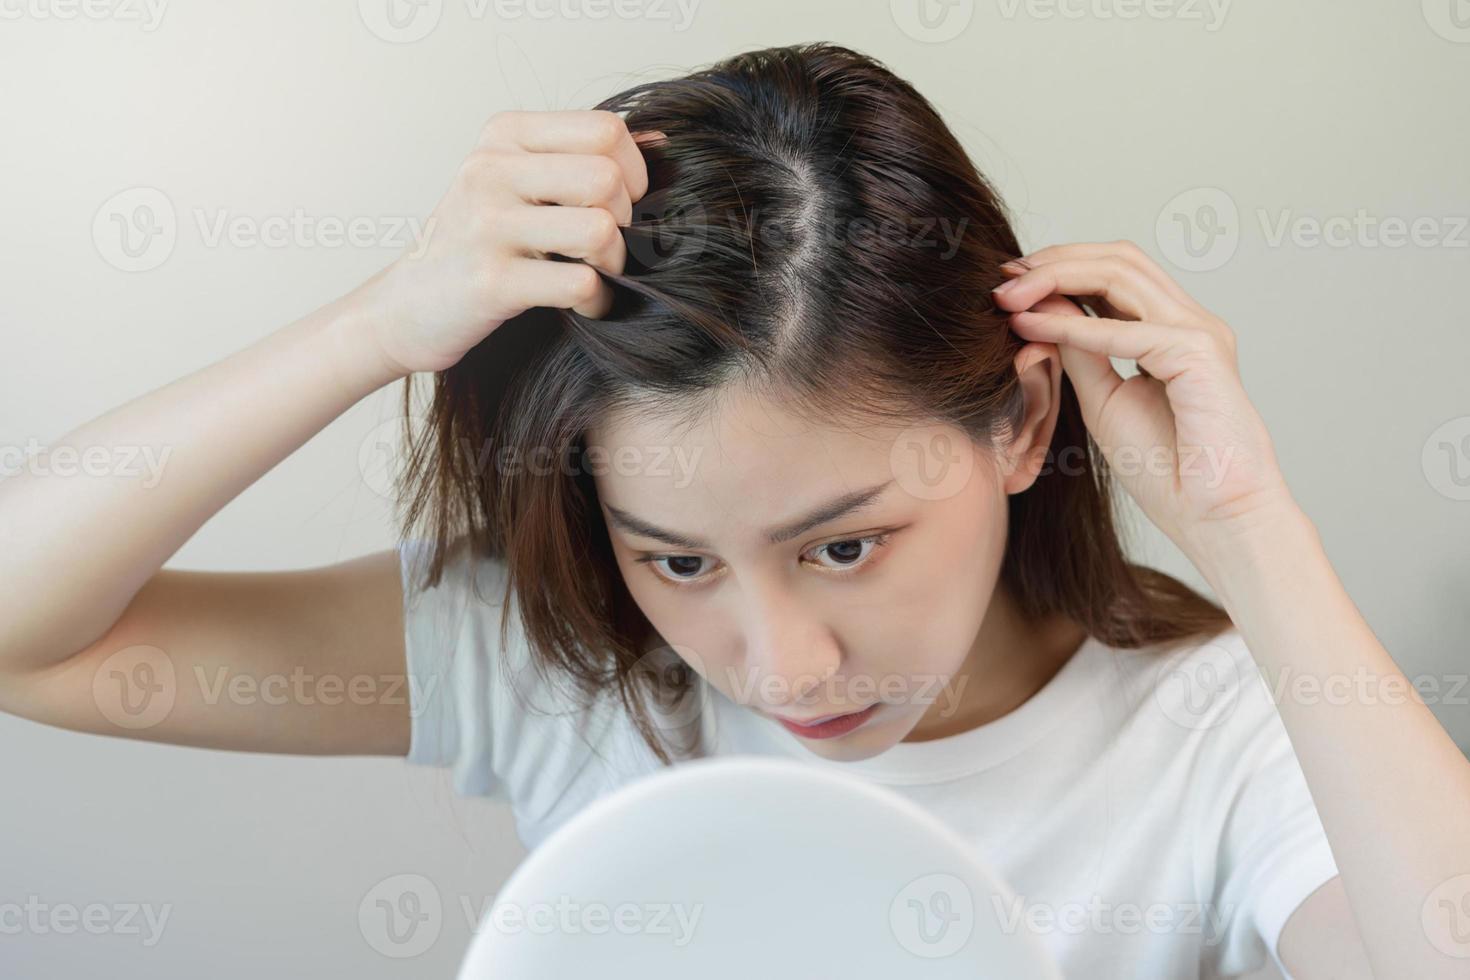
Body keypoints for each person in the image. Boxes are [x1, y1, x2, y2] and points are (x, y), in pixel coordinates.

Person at [0, 41, 1463, 980]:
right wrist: (371, 328)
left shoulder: (1217, 740)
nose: (774, 669)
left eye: (843, 544)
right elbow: (27, 637)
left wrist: (1247, 525)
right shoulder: (556, 658)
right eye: (679, 559)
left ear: (1022, 424)